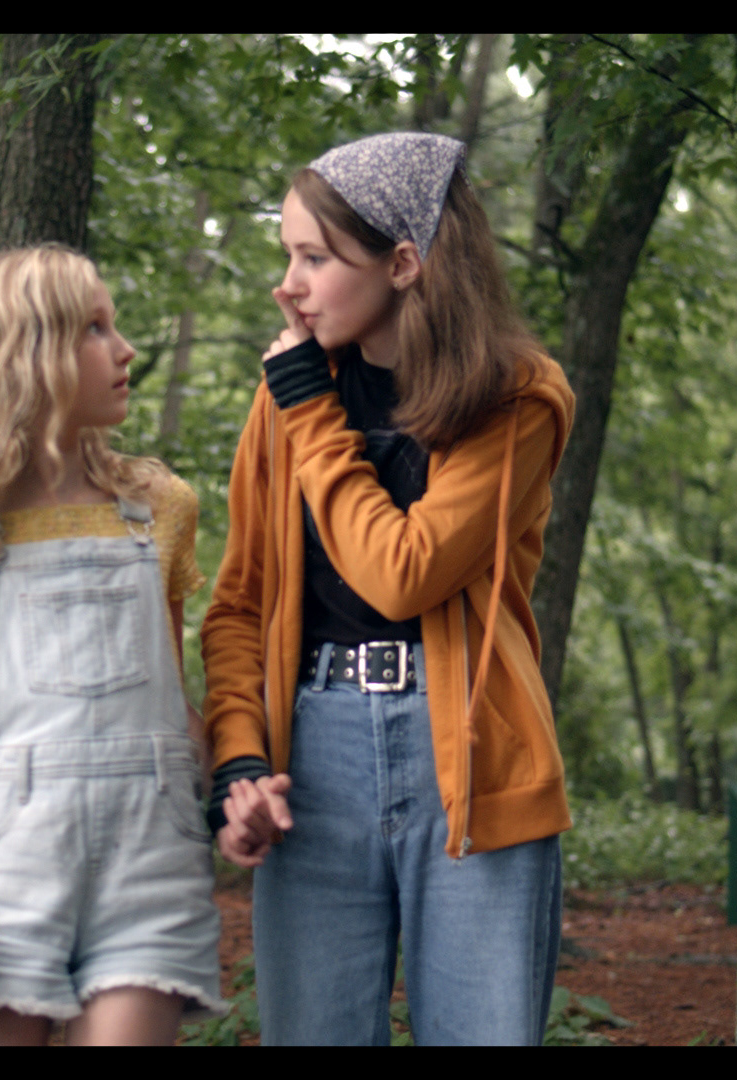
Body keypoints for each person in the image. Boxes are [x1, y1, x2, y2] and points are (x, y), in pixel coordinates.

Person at [201, 132, 577, 1046]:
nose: (287, 287)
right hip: (312, 757)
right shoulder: (288, 394)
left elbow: (403, 572)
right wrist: (240, 763)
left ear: (403, 264)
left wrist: (309, 411)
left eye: (314, 259)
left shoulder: (518, 398)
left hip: (472, 758)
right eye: (288, 255)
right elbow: (240, 604)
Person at [0, 245, 225, 1046]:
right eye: (94, 329)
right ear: (21, 359)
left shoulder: (160, 508)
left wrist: (241, 782)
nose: (125, 349)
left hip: (151, 864)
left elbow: (175, 711)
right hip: (7, 872)